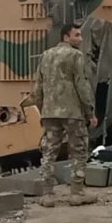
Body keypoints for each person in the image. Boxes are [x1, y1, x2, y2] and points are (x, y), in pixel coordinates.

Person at [29, 22, 99, 207]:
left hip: (50, 112)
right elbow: (82, 85)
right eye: (77, 35)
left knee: (49, 152)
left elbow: (37, 87)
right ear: (66, 37)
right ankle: (77, 193)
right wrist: (90, 111)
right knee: (78, 151)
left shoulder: (46, 55)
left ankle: (47, 195)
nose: (80, 39)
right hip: (72, 112)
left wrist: (42, 108)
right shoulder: (76, 55)